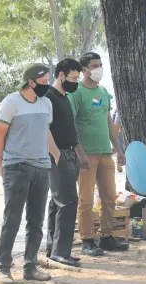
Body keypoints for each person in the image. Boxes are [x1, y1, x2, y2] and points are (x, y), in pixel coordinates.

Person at [0, 63, 61, 284]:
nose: (46, 86)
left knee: (36, 220)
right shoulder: (10, 102)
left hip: (42, 167)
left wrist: (56, 153)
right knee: (12, 218)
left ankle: (30, 266)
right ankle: (4, 267)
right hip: (17, 166)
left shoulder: (46, 103)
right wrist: (1, 165)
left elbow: (46, 131)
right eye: (42, 83)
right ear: (30, 82)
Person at [68, 52, 129, 256]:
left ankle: (106, 237)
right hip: (86, 154)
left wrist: (119, 150)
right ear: (84, 69)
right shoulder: (76, 92)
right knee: (86, 200)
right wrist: (79, 153)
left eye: (100, 65)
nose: (98, 69)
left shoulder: (103, 92)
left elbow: (109, 124)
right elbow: (70, 123)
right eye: (94, 65)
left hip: (105, 153)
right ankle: (87, 240)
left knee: (110, 197)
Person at [45, 58, 88, 268]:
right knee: (68, 202)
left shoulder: (65, 98)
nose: (75, 82)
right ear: (61, 75)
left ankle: (53, 248)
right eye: (73, 78)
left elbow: (70, 130)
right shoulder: (48, 97)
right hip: (57, 155)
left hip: (70, 153)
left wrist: (79, 153)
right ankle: (61, 252)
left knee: (57, 202)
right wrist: (57, 155)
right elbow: (45, 129)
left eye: (77, 78)